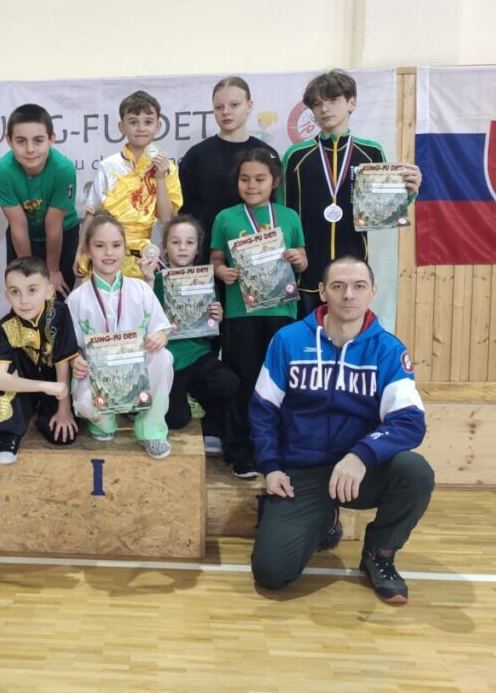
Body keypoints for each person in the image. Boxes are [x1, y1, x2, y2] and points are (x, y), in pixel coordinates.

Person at [249, 256, 434, 605]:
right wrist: (271, 467)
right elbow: (263, 410)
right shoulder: (288, 340)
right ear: (322, 292)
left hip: (359, 471)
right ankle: (324, 518)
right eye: (338, 286)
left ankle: (379, 554)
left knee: (415, 472)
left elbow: (410, 421)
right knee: (271, 573)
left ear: (372, 291)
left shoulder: (388, 350)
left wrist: (361, 455)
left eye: (358, 286)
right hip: (302, 472)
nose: (349, 295)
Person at [278, 69, 422, 318]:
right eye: (317, 104)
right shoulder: (295, 156)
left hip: (353, 268)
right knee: (309, 337)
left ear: (351, 102)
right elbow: (281, 213)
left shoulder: (371, 153)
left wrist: (407, 193)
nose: (325, 109)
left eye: (333, 100)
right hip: (306, 272)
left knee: (349, 335)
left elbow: (382, 211)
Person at [210, 149, 306, 478]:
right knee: (244, 382)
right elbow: (216, 258)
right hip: (241, 314)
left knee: (280, 383)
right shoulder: (225, 218)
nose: (252, 185)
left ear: (275, 181)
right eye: (245, 179)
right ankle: (241, 451)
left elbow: (303, 259)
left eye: (260, 179)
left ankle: (279, 450)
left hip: (282, 311)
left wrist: (298, 258)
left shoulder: (289, 217)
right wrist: (221, 271)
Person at [67, 213, 175, 459]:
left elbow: (160, 328)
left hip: (134, 372)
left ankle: (151, 430)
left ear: (125, 249)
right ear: (87, 250)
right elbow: (70, 346)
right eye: (100, 246)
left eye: (116, 245)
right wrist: (75, 360)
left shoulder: (140, 289)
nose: (109, 253)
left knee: (162, 357)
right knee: (85, 402)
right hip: (97, 372)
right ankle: (103, 421)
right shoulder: (77, 298)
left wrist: (161, 336)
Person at [150, 214, 238, 454]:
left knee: (228, 382)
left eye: (189, 242)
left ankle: (199, 400)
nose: (182, 247)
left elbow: (210, 334)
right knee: (176, 420)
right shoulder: (155, 281)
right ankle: (182, 396)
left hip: (198, 354)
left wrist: (217, 317)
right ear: (165, 247)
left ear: (198, 248)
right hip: (171, 359)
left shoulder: (206, 281)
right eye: (175, 242)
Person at [77, 90, 182, 279]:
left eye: (148, 122)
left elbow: (166, 218)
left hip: (141, 260)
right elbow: (91, 213)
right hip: (104, 253)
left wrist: (159, 178)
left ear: (158, 126)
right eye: (133, 122)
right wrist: (80, 251)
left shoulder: (168, 168)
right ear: (122, 126)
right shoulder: (109, 166)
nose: (141, 128)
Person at [0, 257, 79, 464]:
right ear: (6, 296)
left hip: (56, 383)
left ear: (48, 291)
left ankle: (40, 414)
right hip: (30, 384)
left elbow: (62, 361)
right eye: (15, 292)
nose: (24, 300)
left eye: (32, 290)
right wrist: (43, 386)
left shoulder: (59, 312)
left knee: (63, 436)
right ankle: (8, 435)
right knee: (8, 364)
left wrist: (64, 409)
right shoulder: (5, 327)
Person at [179, 77, 278, 262]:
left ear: (249, 105)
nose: (226, 112)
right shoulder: (197, 155)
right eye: (219, 107)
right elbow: (184, 211)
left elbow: (275, 207)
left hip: (256, 258)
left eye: (234, 105)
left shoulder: (267, 154)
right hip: (206, 256)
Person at [0, 104, 80, 298]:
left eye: (38, 141)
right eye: (21, 141)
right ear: (9, 141)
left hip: (62, 233)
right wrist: (29, 273)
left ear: (51, 139)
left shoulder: (64, 169)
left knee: (56, 298)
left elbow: (53, 225)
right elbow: (18, 225)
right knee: (25, 293)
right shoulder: (1, 171)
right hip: (24, 235)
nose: (30, 149)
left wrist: (52, 271)